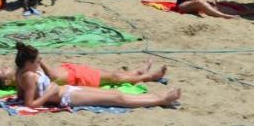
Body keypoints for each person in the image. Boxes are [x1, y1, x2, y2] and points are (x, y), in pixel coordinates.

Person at [9, 42, 180, 110]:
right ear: (29, 62)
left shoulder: (20, 72)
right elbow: (29, 104)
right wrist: (47, 94)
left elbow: (20, 95)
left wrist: (45, 91)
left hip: (66, 90)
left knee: (115, 94)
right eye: (38, 60)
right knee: (116, 98)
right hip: (66, 96)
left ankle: (158, 97)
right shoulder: (29, 76)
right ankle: (161, 100)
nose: (40, 62)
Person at [0, 54, 167, 92]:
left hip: (71, 71)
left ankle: (137, 73)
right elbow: (53, 78)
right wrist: (41, 61)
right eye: (2, 70)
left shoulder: (20, 73)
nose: (4, 66)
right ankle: (148, 77)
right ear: (6, 82)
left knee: (111, 74)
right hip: (75, 79)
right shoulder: (23, 80)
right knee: (114, 78)